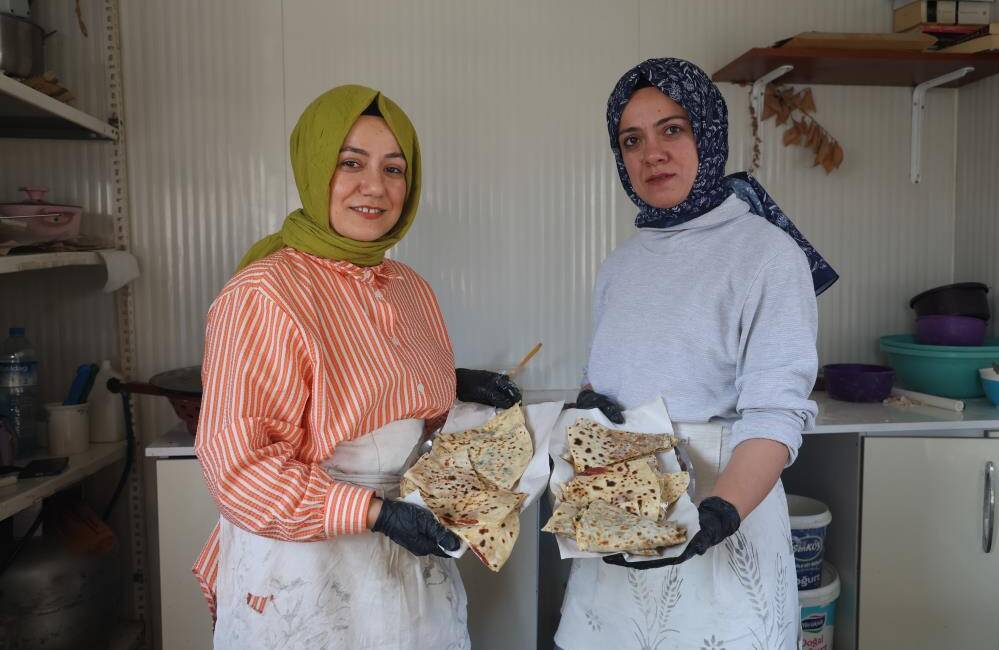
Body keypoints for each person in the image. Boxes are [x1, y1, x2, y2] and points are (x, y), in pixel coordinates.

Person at [191, 84, 520, 649]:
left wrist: (452, 383)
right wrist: (375, 514)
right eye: (351, 163)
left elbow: (385, 400)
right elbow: (239, 470)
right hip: (307, 570)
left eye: (394, 168)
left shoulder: (410, 289)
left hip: (410, 557)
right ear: (315, 166)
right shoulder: (264, 293)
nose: (376, 187)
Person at [556, 58, 838, 650]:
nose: (651, 152)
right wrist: (593, 405)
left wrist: (716, 516)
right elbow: (612, 379)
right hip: (619, 531)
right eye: (632, 139)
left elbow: (775, 416)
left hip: (721, 529)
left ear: (707, 134)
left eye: (672, 129)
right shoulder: (621, 264)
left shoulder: (766, 255)